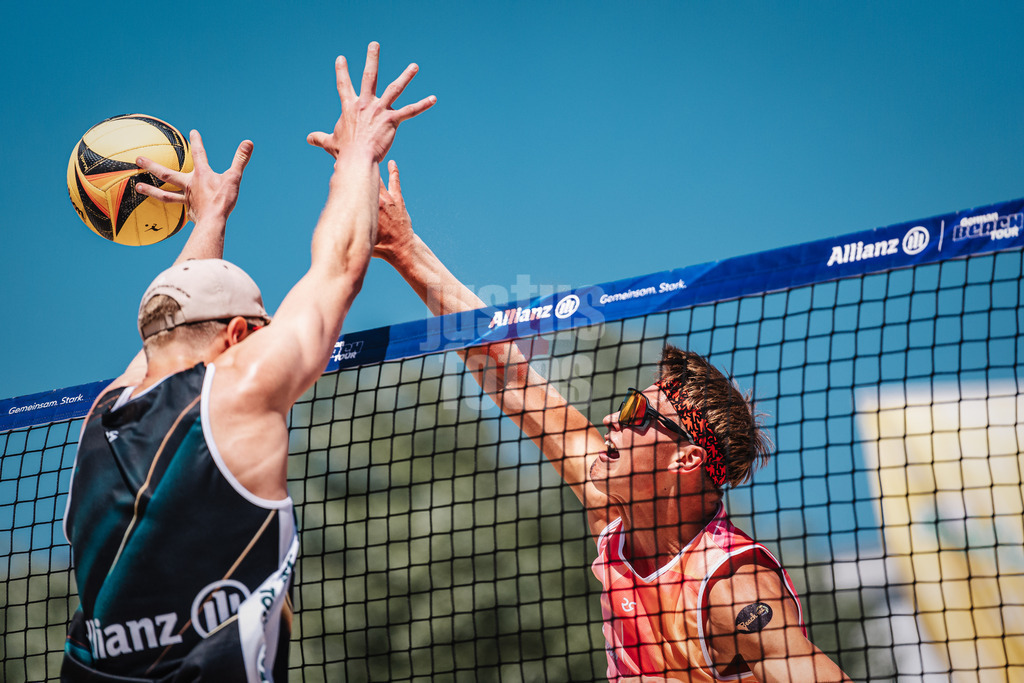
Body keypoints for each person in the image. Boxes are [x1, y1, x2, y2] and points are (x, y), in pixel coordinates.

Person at [369, 161, 852, 682]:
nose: (610, 418)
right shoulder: (613, 516)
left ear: (686, 458)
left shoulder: (735, 587)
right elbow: (510, 377)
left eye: (634, 414)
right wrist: (403, 248)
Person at [60, 43, 435, 682]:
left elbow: (165, 325)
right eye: (260, 328)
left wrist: (208, 217)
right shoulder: (238, 391)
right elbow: (339, 266)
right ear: (239, 333)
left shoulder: (99, 422)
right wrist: (358, 152)